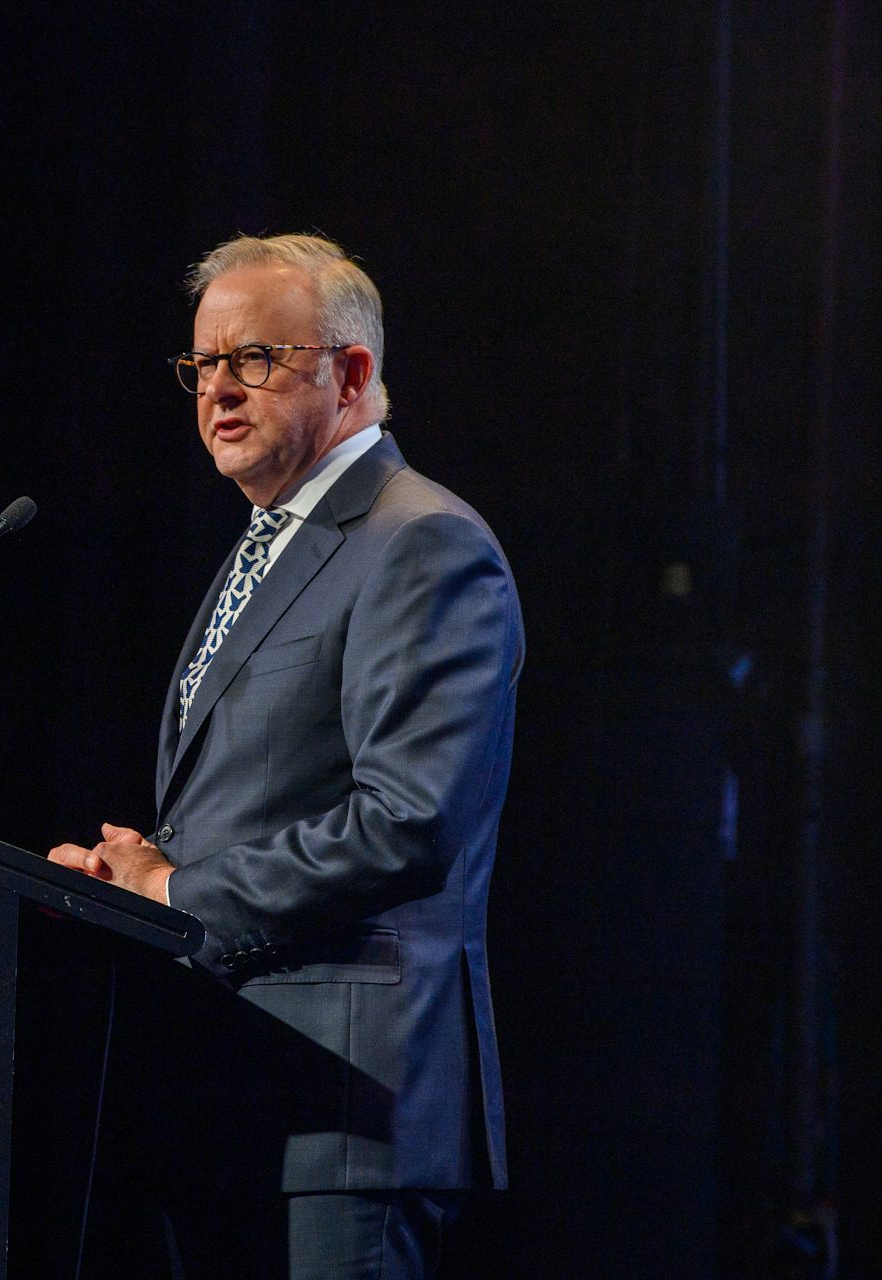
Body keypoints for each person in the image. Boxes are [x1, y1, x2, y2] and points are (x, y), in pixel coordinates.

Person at [48, 233, 522, 1280]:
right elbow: (251, 801)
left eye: (253, 358)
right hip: (240, 1098)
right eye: (201, 365)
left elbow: (409, 820)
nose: (217, 390)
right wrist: (130, 877)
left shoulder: (420, 542)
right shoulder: (267, 545)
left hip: (352, 1107)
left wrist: (178, 886)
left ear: (352, 372)